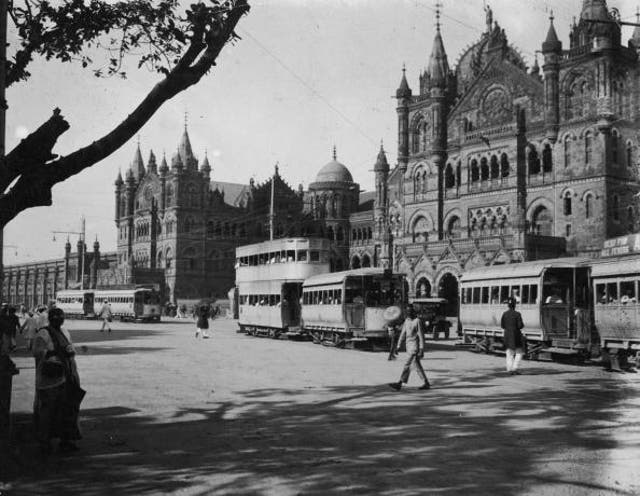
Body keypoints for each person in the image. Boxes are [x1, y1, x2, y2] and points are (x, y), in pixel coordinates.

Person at [32, 308, 84, 455]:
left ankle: (66, 440)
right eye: (55, 317)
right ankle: (44, 442)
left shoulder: (65, 332)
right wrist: (54, 353)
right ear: (50, 318)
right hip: (50, 379)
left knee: (67, 410)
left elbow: (70, 349)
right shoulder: (43, 333)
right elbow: (36, 352)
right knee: (48, 411)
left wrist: (70, 352)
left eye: (61, 317)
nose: (58, 319)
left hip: (66, 376)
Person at [389, 304, 430, 391]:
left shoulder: (417, 321)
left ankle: (399, 383)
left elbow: (421, 336)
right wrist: (398, 346)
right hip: (408, 347)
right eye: (407, 311)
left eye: (410, 311)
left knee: (407, 364)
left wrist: (422, 349)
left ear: (413, 311)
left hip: (415, 347)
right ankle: (426, 383)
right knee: (417, 366)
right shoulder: (406, 321)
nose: (409, 312)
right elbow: (403, 334)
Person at [501, 297, 525, 375]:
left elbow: (502, 325)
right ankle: (515, 368)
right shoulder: (517, 314)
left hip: (507, 335)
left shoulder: (505, 314)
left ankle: (509, 369)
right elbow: (520, 325)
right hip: (516, 335)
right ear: (515, 305)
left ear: (508, 305)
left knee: (509, 353)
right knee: (519, 352)